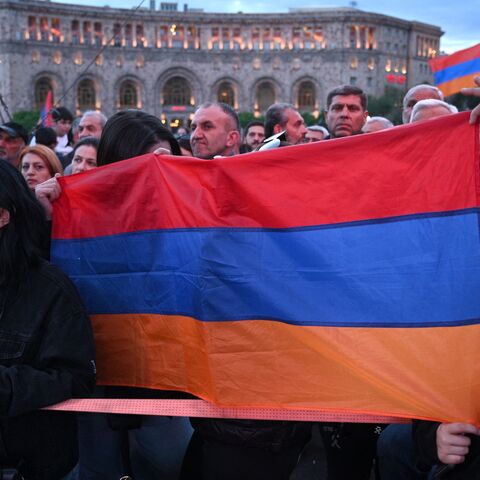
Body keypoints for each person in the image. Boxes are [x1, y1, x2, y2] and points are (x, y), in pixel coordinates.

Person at [35, 109, 191, 480]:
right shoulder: (72, 212)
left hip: (165, 378)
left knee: (172, 463)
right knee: (99, 469)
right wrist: (40, 219)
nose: (162, 173)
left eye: (169, 162)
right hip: (95, 375)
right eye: (151, 164)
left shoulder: (188, 216)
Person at [0, 159, 95, 479]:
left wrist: (8, 385)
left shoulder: (50, 291)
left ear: (3, 216)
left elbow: (76, 377)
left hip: (29, 465)